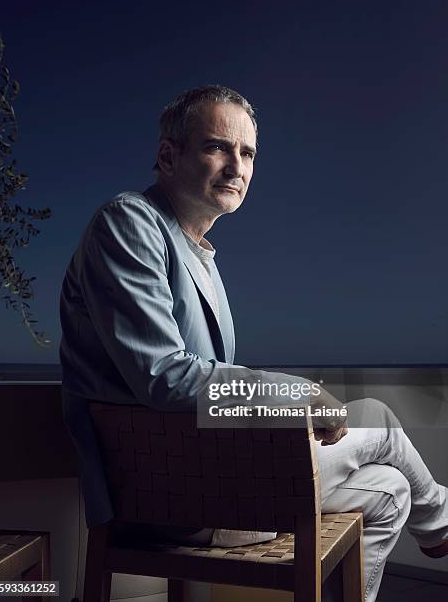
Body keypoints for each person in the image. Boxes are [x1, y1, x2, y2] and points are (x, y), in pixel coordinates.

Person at [60, 85, 447, 602]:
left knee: (392, 491)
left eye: (248, 153)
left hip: (209, 470)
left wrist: (282, 411)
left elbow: (207, 392)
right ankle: (442, 522)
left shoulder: (200, 255)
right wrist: (298, 396)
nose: (236, 167)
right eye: (217, 146)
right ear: (168, 155)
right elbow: (165, 378)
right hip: (163, 495)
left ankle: (437, 522)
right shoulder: (128, 223)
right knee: (377, 419)